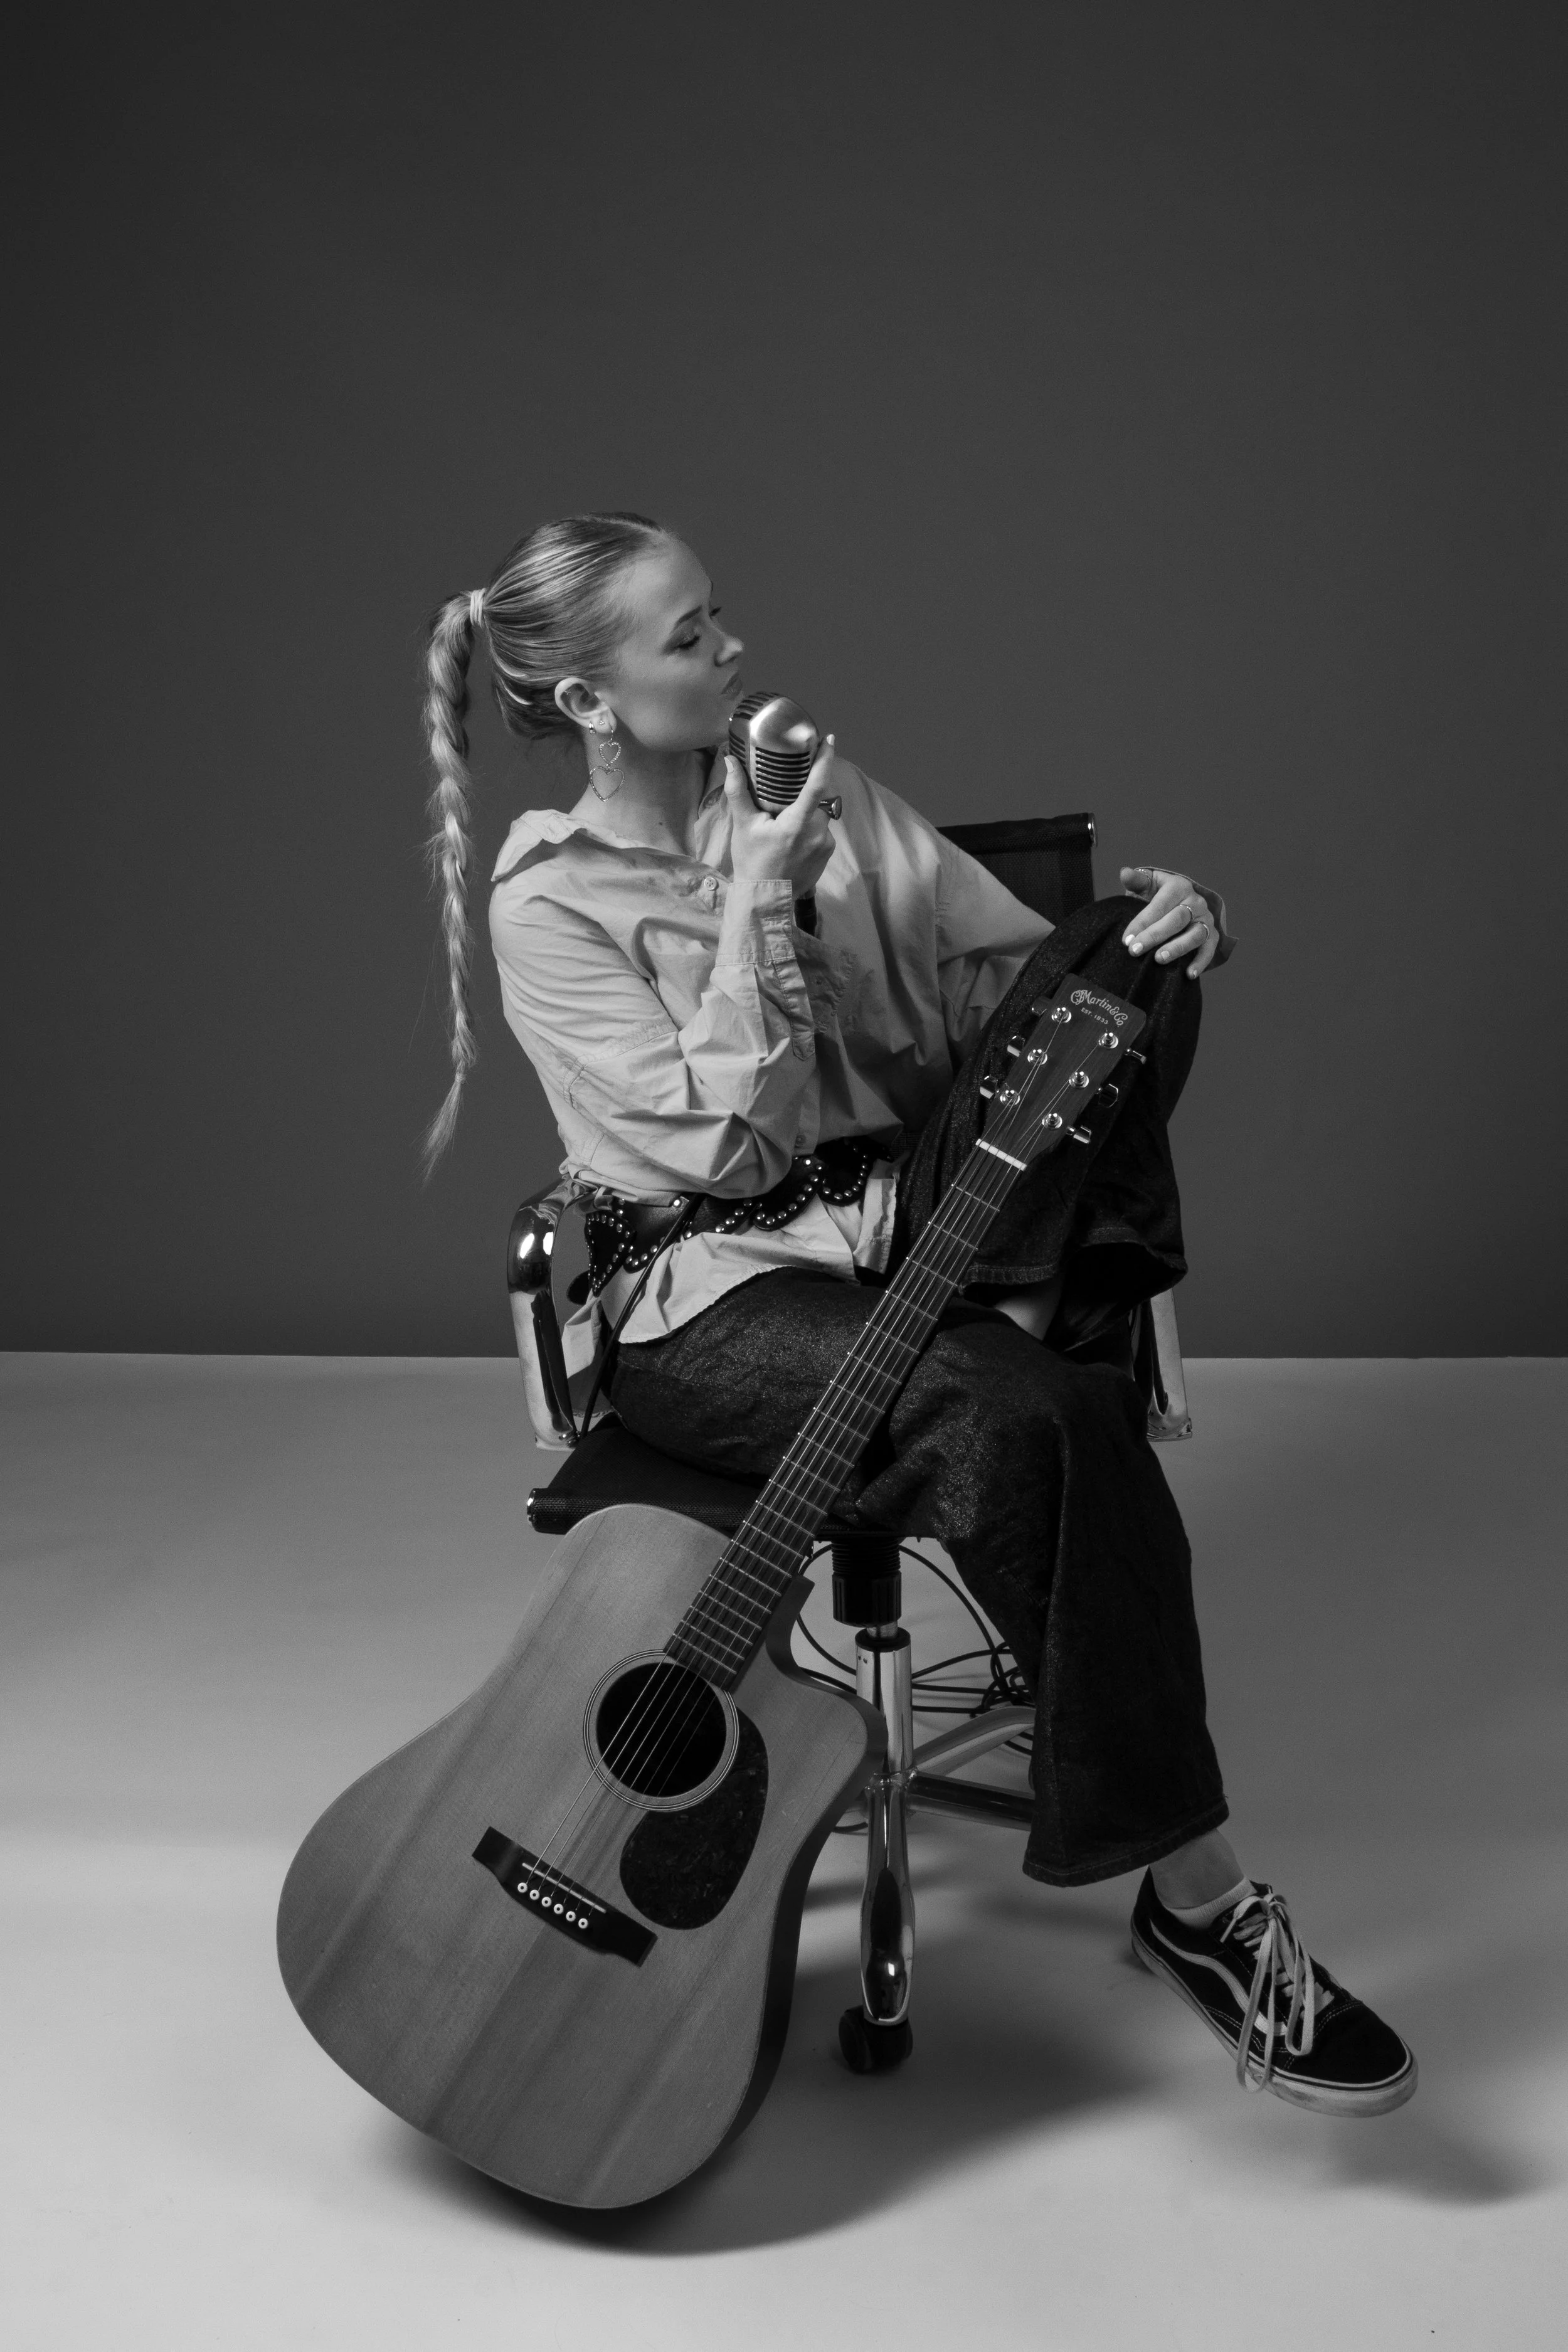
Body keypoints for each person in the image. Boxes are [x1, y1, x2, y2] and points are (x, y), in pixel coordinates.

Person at [421, 509, 1416, 2119]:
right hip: (716, 1294)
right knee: (1039, 1419)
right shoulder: (548, 904)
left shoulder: (821, 793)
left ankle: (1005, 1310)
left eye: (717, 617)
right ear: (592, 700)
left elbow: (1014, 1007)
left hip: (916, 1219)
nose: (731, 650)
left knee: (1121, 963)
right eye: (688, 636)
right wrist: (754, 903)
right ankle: (1201, 1906)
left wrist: (1173, 936)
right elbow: (720, 1151)